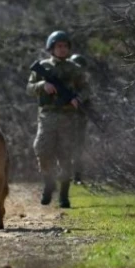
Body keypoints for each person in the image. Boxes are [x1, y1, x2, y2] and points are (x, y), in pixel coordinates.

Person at [26, 31, 90, 208]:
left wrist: (78, 99)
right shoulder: (43, 66)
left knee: (65, 156)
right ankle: (48, 182)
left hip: (68, 117)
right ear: (51, 48)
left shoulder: (75, 69)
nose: (62, 49)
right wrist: (42, 85)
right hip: (47, 115)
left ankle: (64, 195)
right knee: (42, 149)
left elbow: (86, 89)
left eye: (65, 46)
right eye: (58, 46)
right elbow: (29, 88)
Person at [69, 53, 90, 185]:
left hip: (79, 119)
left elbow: (86, 95)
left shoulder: (83, 84)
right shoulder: (65, 81)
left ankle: (77, 175)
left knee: (78, 148)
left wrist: (78, 99)